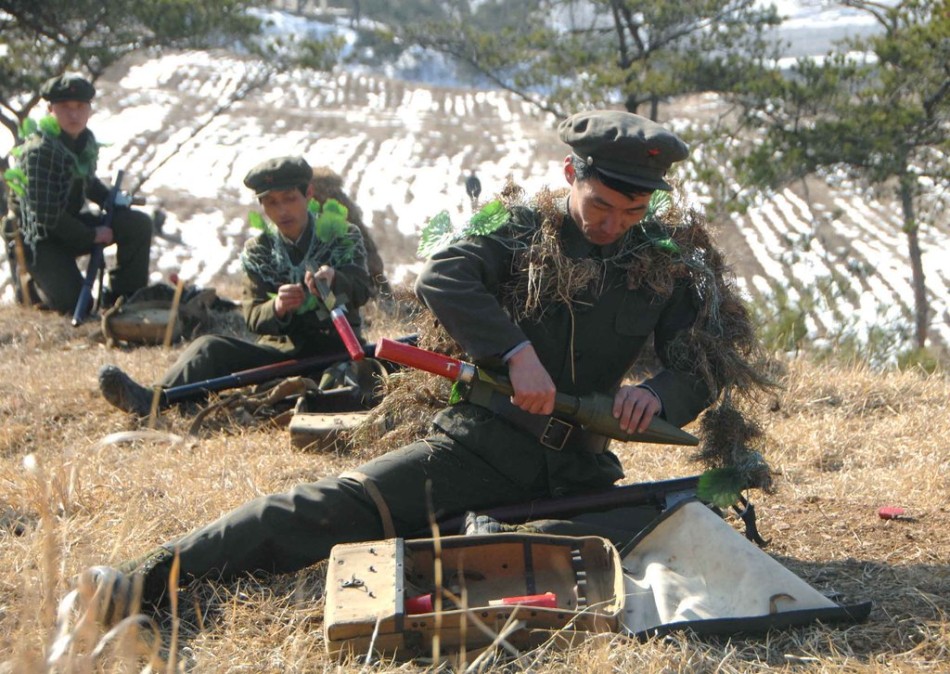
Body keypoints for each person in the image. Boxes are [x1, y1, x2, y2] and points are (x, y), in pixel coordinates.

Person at [79, 111, 761, 623]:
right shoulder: (521, 229)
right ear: (568, 177)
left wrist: (660, 395)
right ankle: (143, 580)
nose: (614, 223)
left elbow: (707, 353)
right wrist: (515, 353)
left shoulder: (663, 259)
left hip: (583, 466)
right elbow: (444, 277)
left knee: (637, 554)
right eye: (601, 206)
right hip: (480, 446)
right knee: (326, 510)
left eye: (633, 210)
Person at [98, 156, 373, 417]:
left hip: (339, 346)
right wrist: (277, 307)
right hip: (281, 352)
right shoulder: (258, 251)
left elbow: (363, 288)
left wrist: (336, 278)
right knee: (209, 347)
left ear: (309, 193)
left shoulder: (343, 235)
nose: (282, 210)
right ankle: (154, 400)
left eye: (290, 199)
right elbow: (253, 316)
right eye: (271, 202)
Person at [12, 73, 153, 315]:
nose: (74, 115)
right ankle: (33, 286)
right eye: (65, 107)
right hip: (37, 239)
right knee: (77, 305)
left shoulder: (80, 143)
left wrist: (113, 199)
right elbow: (46, 215)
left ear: (89, 110)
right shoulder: (38, 152)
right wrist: (90, 235)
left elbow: (85, 182)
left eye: (80, 107)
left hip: (68, 226)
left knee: (137, 224)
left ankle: (124, 298)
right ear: (50, 110)